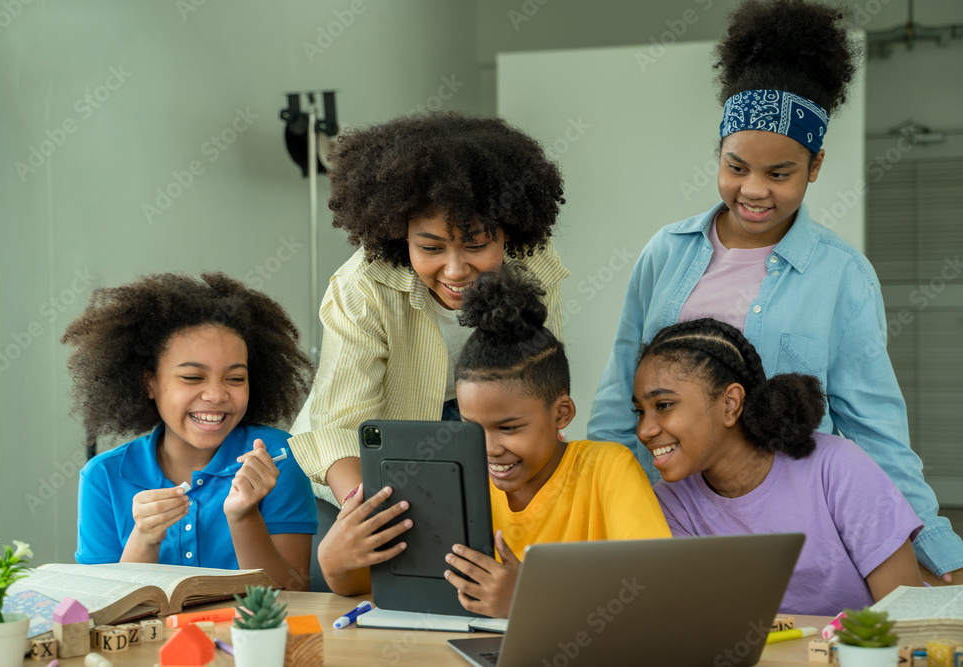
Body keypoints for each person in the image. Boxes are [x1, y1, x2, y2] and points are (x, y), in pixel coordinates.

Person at [588, 0, 963, 580]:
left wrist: (942, 556)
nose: (754, 190)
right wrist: (608, 520)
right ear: (719, 153)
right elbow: (618, 404)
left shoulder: (842, 275)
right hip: (676, 518)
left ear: (815, 166)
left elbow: (876, 433)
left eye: (779, 173)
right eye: (736, 166)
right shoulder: (665, 253)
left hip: (801, 531)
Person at [319, 265, 670, 616]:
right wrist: (334, 562)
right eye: (472, 427)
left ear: (562, 414)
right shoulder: (452, 483)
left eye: (509, 427)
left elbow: (656, 591)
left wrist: (529, 600)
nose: (488, 448)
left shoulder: (607, 469)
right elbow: (364, 585)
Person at [288, 112, 569, 509]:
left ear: (509, 231)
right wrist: (362, 509)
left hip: (476, 429)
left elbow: (540, 383)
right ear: (400, 236)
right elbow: (341, 428)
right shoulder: (363, 288)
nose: (455, 270)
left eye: (475, 246)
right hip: (364, 451)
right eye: (431, 248)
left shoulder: (532, 262)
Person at [634, 318, 923, 615]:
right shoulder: (669, 504)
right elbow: (704, 626)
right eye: (640, 412)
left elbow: (909, 620)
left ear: (730, 404)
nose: (644, 430)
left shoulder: (837, 467)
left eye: (664, 405)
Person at [65, 272, 318, 589]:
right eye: (192, 378)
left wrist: (244, 517)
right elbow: (101, 610)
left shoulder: (276, 458)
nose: (216, 394)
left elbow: (293, 595)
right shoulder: (103, 478)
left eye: (236, 379)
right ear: (150, 383)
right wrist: (143, 539)